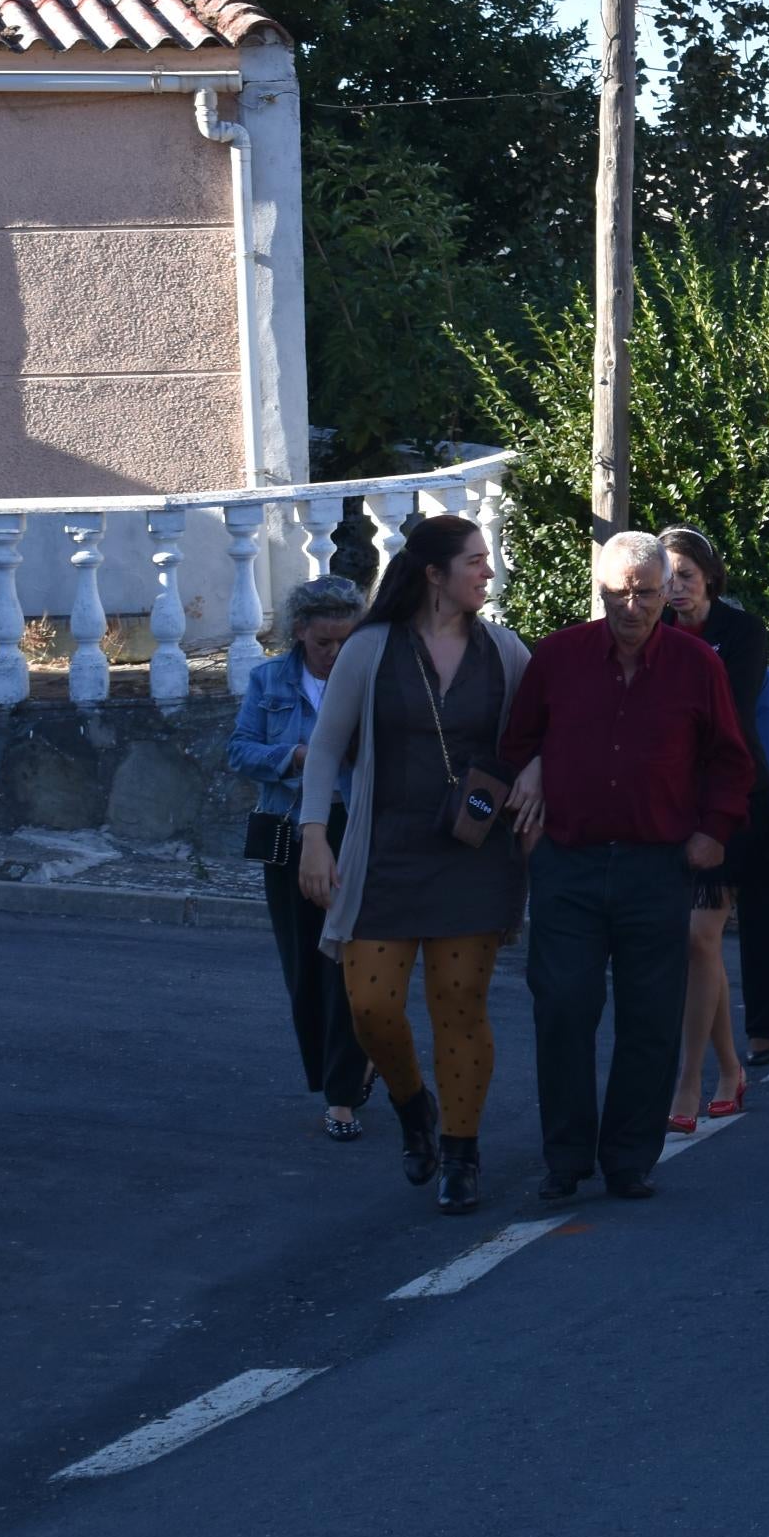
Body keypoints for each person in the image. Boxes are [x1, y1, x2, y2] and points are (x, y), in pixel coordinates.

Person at [502, 531, 756, 1204]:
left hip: (656, 866)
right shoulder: (557, 658)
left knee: (649, 1018)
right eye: (619, 592)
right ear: (601, 590)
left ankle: (629, 1160)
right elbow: (517, 740)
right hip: (570, 863)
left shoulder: (698, 665)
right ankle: (565, 1159)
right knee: (562, 1008)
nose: (633, 606)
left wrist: (712, 833)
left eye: (646, 592)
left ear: (664, 592)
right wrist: (529, 772)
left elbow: (732, 760)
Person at [296, 518, 532, 1215]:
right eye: (475, 562)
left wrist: (540, 771)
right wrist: (315, 836)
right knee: (370, 1006)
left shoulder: (506, 651)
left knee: (459, 1007)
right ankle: (411, 1105)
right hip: (386, 853)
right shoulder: (370, 649)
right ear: (434, 573)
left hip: (474, 855)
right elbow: (327, 744)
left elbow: (537, 732)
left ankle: (461, 1153)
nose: (487, 574)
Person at [229, 576, 371, 1141]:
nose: (336, 655)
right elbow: (238, 750)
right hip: (288, 829)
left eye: (346, 642)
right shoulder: (268, 680)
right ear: (300, 634)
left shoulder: (370, 681)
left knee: (347, 962)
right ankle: (334, 1073)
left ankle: (342, 1096)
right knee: (303, 964)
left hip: (351, 826)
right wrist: (295, 755)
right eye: (324, 644)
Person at [657, 527, 769, 1131]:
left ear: (708, 576)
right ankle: (730, 1068)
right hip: (672, 799)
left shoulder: (742, 632)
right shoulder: (654, 629)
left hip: (730, 797)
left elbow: (727, 711)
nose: (675, 589)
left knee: (700, 938)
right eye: (666, 577)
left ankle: (688, 1081)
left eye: (685, 576)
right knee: (697, 945)